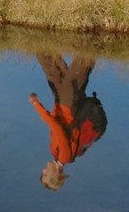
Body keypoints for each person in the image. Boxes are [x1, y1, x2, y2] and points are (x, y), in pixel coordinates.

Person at [29, 53, 107, 191]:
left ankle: (42, 41)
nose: (43, 170)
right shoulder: (64, 156)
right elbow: (56, 127)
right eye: (45, 174)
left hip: (60, 102)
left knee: (49, 64)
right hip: (68, 104)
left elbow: (56, 125)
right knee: (82, 64)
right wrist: (36, 104)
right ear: (55, 174)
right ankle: (95, 39)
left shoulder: (54, 152)